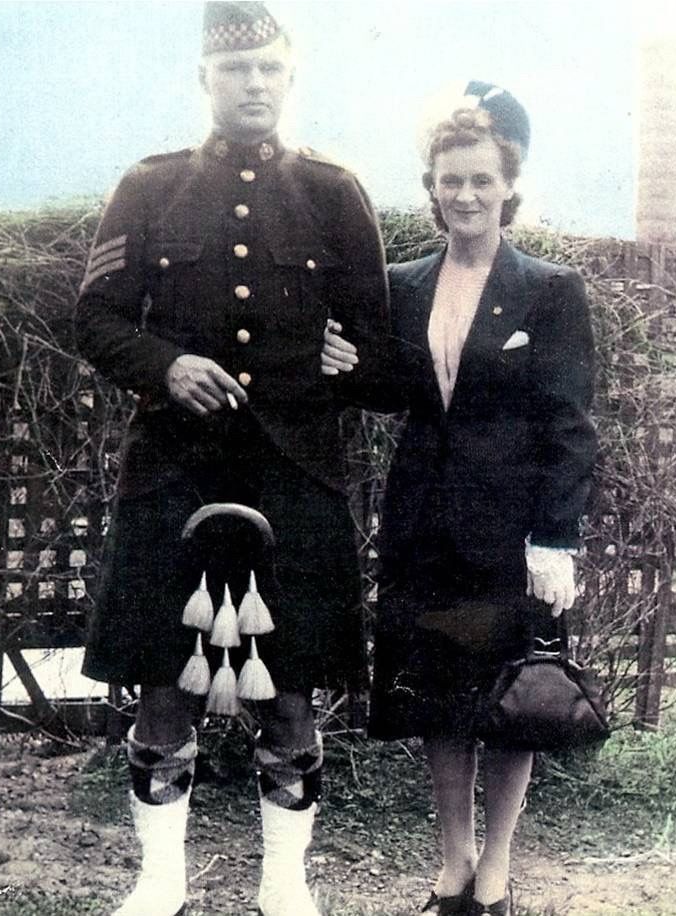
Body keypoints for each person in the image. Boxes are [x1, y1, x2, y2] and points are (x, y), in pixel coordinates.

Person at [74, 4, 388, 915]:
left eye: (270, 69)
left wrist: (351, 361)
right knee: (163, 692)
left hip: (296, 476)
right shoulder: (149, 186)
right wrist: (166, 366)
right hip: (174, 474)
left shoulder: (334, 192)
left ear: (291, 78)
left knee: (290, 693)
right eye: (237, 68)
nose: (255, 83)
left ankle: (284, 884)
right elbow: (93, 319)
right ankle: (158, 880)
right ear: (203, 81)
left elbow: (379, 347)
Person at [322, 82, 597, 916]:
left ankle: (501, 864)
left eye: (481, 180)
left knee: (512, 697)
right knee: (439, 695)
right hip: (424, 525)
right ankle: (453, 861)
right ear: (432, 189)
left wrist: (555, 540)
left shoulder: (550, 290)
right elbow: (401, 388)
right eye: (451, 180)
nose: (466, 195)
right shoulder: (405, 284)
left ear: (508, 186)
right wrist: (344, 364)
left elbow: (570, 424)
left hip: (510, 533)